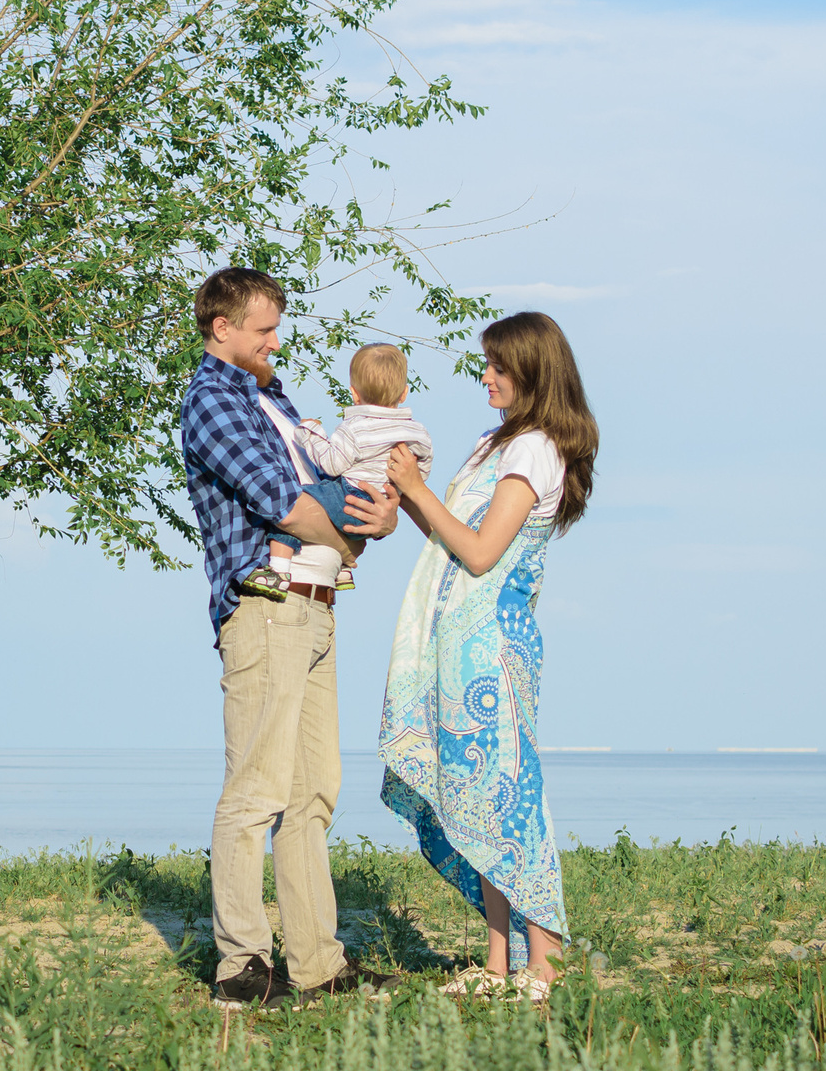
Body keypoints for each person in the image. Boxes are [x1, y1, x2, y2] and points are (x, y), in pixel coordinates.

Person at [180, 267, 400, 1009]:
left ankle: (316, 963)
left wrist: (373, 521)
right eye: (264, 329)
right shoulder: (211, 401)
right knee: (256, 791)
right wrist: (346, 532)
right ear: (223, 329)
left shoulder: (272, 397)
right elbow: (283, 501)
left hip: (316, 605)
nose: (277, 341)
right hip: (264, 604)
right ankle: (241, 964)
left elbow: (335, 492)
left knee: (312, 792)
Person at [378, 311, 599, 1002]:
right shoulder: (493, 444)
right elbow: (449, 536)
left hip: (493, 648)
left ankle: (548, 959)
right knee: (476, 797)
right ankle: (501, 964)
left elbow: (479, 552)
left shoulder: (533, 449)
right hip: (458, 642)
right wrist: (405, 488)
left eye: (497, 367)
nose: (485, 376)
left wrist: (416, 489)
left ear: (531, 371)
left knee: (510, 794)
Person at [253, 343, 433, 595]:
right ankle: (344, 568)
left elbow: (331, 463)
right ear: (404, 393)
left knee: (292, 499)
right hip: (379, 503)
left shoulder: (356, 428)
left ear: (354, 393)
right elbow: (420, 472)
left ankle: (278, 570)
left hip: (349, 495)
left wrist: (311, 433)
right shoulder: (417, 432)